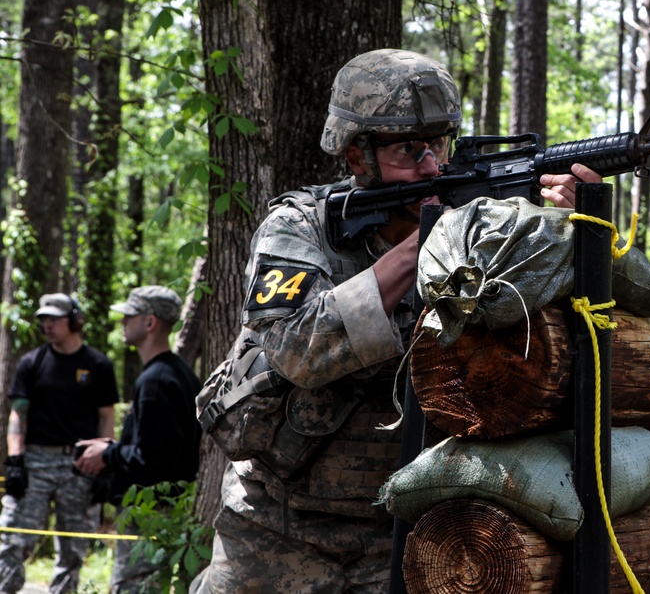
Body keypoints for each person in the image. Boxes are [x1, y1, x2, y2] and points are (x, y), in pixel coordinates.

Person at [190, 48, 601, 593]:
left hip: (406, 530)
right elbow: (296, 348)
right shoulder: (300, 228)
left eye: (439, 146)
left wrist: (567, 225)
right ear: (357, 155)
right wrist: (422, 246)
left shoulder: (481, 234)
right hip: (273, 532)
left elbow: (557, 343)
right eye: (410, 150)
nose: (432, 166)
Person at [74, 285, 202, 593]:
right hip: (163, 512)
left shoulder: (157, 380)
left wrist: (107, 455)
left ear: (149, 323)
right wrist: (112, 448)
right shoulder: (176, 372)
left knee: (133, 588)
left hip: (149, 516)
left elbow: (154, 460)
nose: (122, 323)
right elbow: (161, 447)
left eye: (128, 317)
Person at [0, 293, 118, 594]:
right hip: (35, 462)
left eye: (55, 318)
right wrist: (15, 461)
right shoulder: (31, 362)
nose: (48, 325)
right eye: (43, 319)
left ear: (74, 320)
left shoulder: (98, 365)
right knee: (13, 539)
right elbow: (18, 416)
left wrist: (105, 461)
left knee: (74, 547)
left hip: (80, 466)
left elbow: (106, 417)